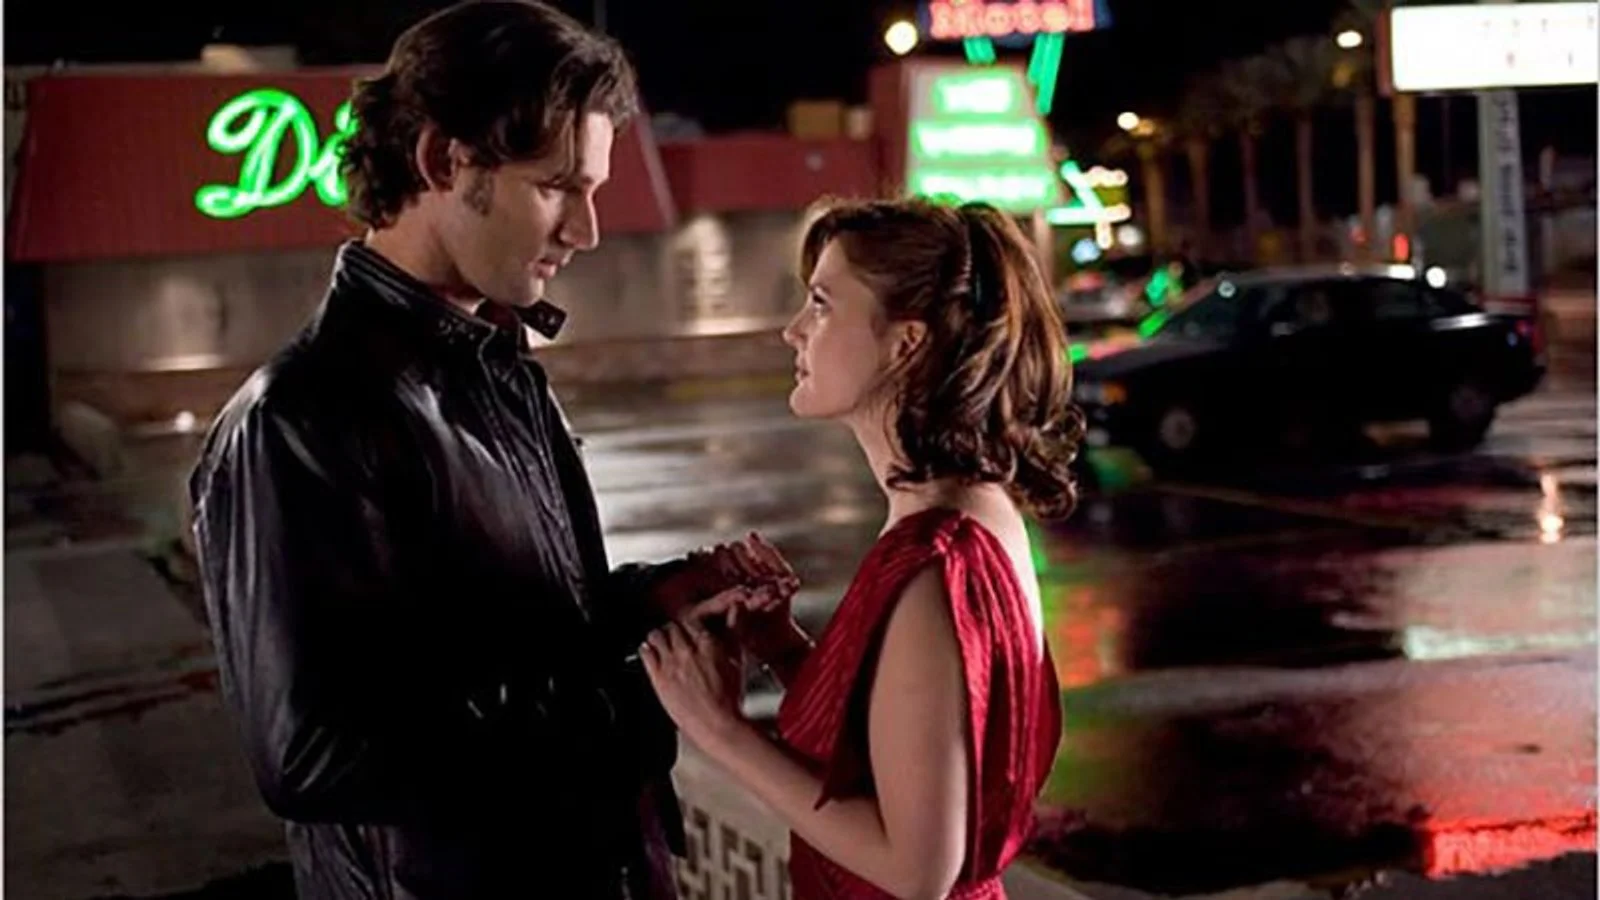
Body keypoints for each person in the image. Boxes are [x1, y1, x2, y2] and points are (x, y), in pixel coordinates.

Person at [186, 3, 793, 898]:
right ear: (444, 161)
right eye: (557, 187)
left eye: (592, 190)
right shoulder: (301, 417)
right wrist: (641, 702)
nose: (586, 230)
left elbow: (507, 638)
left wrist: (649, 603)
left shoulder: (499, 369)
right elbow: (313, 754)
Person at [640, 197, 1080, 899]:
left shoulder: (938, 556)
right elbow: (905, 751)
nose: (792, 331)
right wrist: (786, 651)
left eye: (821, 304)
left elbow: (918, 869)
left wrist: (718, 729)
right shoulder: (963, 511)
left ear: (906, 343)